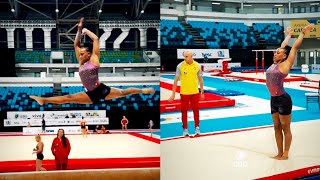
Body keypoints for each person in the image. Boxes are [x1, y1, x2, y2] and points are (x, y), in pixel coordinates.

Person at [30, 17, 154, 106]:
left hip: (100, 89)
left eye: (82, 53)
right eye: (80, 53)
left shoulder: (93, 59)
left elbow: (95, 39)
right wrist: (78, 30)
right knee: (69, 98)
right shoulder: (81, 61)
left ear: (88, 54)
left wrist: (86, 31)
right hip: (90, 94)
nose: (80, 54)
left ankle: (142, 90)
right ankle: (43, 100)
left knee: (123, 93)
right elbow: (76, 44)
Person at [266, 24, 314, 160]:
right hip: (273, 99)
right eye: (275, 52)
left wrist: (303, 33)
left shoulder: (286, 64)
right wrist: (288, 35)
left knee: (285, 128)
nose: (275, 53)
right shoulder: (275, 63)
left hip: (283, 99)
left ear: (284, 55)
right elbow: (284, 44)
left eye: (278, 52)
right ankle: (279, 152)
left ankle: (286, 153)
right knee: (276, 127)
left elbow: (294, 47)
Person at [168, 50, 204, 137]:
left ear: (191, 57)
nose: (185, 58)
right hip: (184, 93)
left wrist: (202, 92)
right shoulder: (180, 66)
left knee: (196, 110)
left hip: (195, 92)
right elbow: (175, 80)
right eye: (184, 56)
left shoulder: (197, 65)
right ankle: (185, 129)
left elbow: (200, 80)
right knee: (184, 111)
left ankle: (197, 127)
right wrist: (173, 94)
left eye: (187, 56)